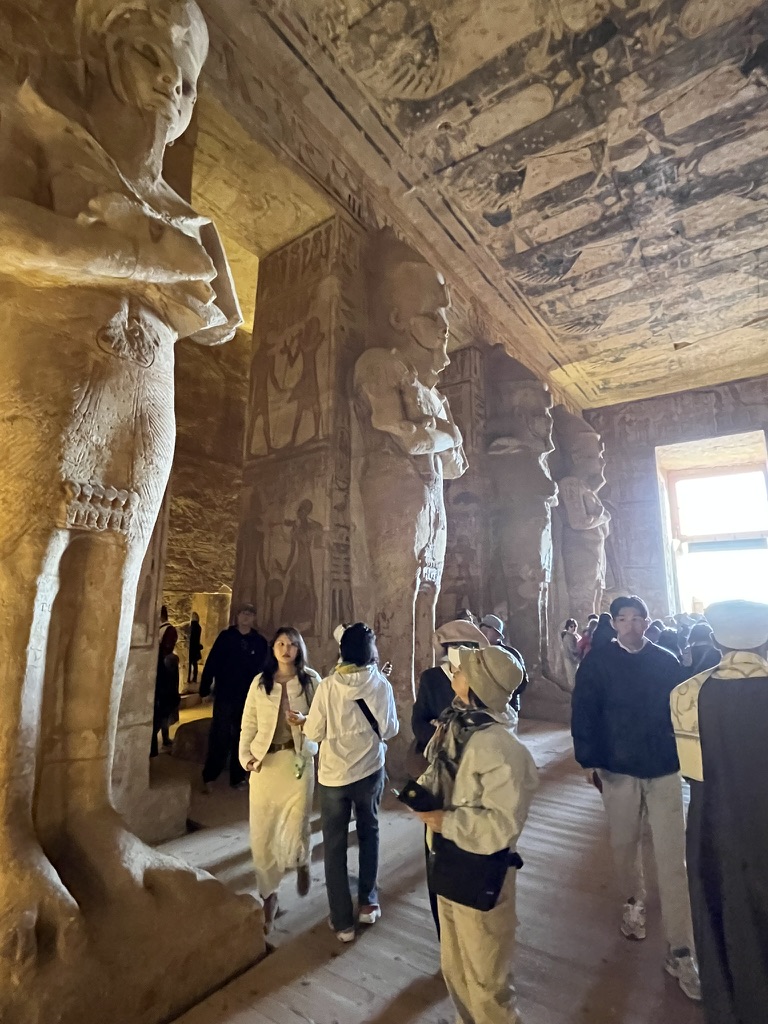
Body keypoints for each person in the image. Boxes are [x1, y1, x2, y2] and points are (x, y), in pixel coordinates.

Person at [571, 595, 700, 1001]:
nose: (630, 625)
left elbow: (683, 711)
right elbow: (584, 711)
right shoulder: (598, 663)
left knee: (672, 856)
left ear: (647, 622)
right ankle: (633, 902)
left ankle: (681, 949)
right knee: (625, 844)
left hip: (663, 768)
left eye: (637, 618)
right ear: (613, 623)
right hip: (618, 767)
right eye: (622, 618)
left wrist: (688, 758)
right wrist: (590, 760)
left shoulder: (665, 661)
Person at [411, 645, 539, 1024]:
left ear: (479, 685)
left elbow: (501, 826)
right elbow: (440, 773)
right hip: (447, 859)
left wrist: (445, 822)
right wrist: (422, 796)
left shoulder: (504, 748)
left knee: (487, 981)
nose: (454, 673)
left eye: (463, 671)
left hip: (481, 870)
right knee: (454, 966)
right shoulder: (456, 725)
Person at [670, 600, 768, 1024]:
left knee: (726, 907)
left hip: (718, 820)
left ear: (713, 639)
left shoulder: (686, 694)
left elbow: (694, 774)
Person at [301, 622, 398, 942]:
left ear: (342, 650)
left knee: (334, 844)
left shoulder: (328, 686)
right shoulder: (380, 684)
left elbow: (313, 733)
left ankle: (342, 921)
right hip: (370, 771)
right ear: (370, 651)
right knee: (369, 832)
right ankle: (368, 902)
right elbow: (391, 729)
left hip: (333, 777)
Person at [239, 628, 321, 933]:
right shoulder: (260, 683)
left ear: (299, 650)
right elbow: (248, 722)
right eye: (281, 644)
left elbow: (324, 720)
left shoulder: (311, 680)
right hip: (265, 763)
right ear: (273, 648)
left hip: (297, 761)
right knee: (262, 832)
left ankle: (301, 860)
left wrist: (304, 722)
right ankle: (269, 895)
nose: (286, 649)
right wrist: (245, 756)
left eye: (292, 644)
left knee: (296, 824)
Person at [412, 618, 489, 935]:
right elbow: (419, 720)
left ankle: (469, 921)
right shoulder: (432, 678)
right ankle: (443, 926)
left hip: (472, 777)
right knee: (436, 847)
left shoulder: (483, 681)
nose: (458, 653)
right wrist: (435, 732)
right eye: (454, 647)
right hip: (439, 774)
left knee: (469, 848)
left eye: (466, 647)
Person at [201, 604, 269, 791]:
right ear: (237, 616)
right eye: (243, 613)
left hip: (248, 696)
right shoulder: (226, 638)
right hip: (225, 693)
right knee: (219, 734)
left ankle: (238, 776)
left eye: (250, 613)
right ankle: (210, 775)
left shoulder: (259, 642)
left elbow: (265, 669)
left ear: (254, 617)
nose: (246, 617)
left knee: (243, 734)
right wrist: (205, 688)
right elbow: (213, 661)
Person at [478, 614, 529, 712]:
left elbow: (522, 682)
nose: (482, 632)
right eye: (481, 629)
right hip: (483, 708)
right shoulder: (476, 652)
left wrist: (504, 694)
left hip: (507, 707)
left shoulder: (511, 654)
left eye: (487, 629)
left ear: (498, 634)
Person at [150, 624, 181, 757]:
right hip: (163, 693)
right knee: (159, 720)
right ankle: (154, 748)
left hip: (163, 694)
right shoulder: (167, 658)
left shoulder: (165, 656)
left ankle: (154, 748)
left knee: (160, 719)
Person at [560, 618, 581, 687]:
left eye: (575, 626)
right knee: (572, 679)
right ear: (567, 627)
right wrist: (580, 650)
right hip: (569, 659)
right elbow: (572, 649)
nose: (573, 628)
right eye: (571, 626)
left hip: (575, 660)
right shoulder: (568, 637)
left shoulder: (576, 636)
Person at [187, 611, 203, 687]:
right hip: (195, 648)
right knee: (194, 663)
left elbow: (190, 637)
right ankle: (194, 678)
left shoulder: (191, 627)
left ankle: (188, 678)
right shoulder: (199, 627)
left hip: (191, 647)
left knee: (189, 664)